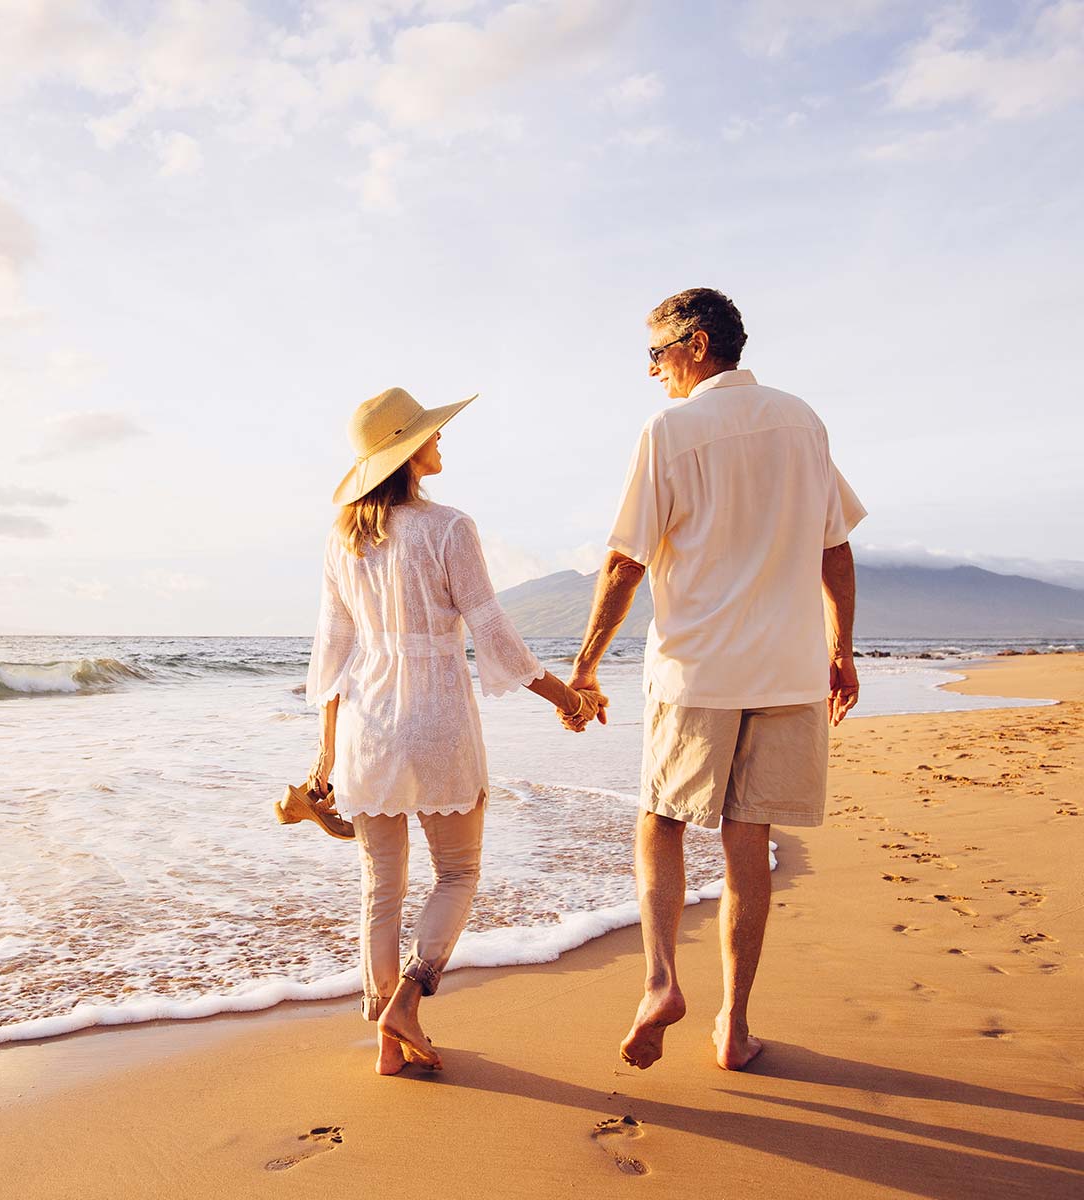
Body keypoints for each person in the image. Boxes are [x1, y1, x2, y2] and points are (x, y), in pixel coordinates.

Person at [563, 288, 865, 1072]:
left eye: (657, 355)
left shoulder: (672, 428)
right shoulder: (802, 419)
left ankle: (662, 981)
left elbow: (625, 560)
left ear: (696, 345)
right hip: (790, 669)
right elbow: (836, 548)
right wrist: (843, 651)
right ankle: (733, 1024)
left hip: (698, 670)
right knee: (748, 838)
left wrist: (586, 663)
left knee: (661, 821)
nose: (653, 372)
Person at [305, 386, 605, 1076]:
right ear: (410, 451)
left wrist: (325, 754)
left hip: (366, 727)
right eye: (433, 435)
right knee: (459, 872)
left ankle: (387, 1039)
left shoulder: (343, 540)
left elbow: (331, 656)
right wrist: (567, 698)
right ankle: (411, 996)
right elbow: (494, 635)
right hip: (436, 720)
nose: (443, 442)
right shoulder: (448, 528)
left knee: (381, 888)